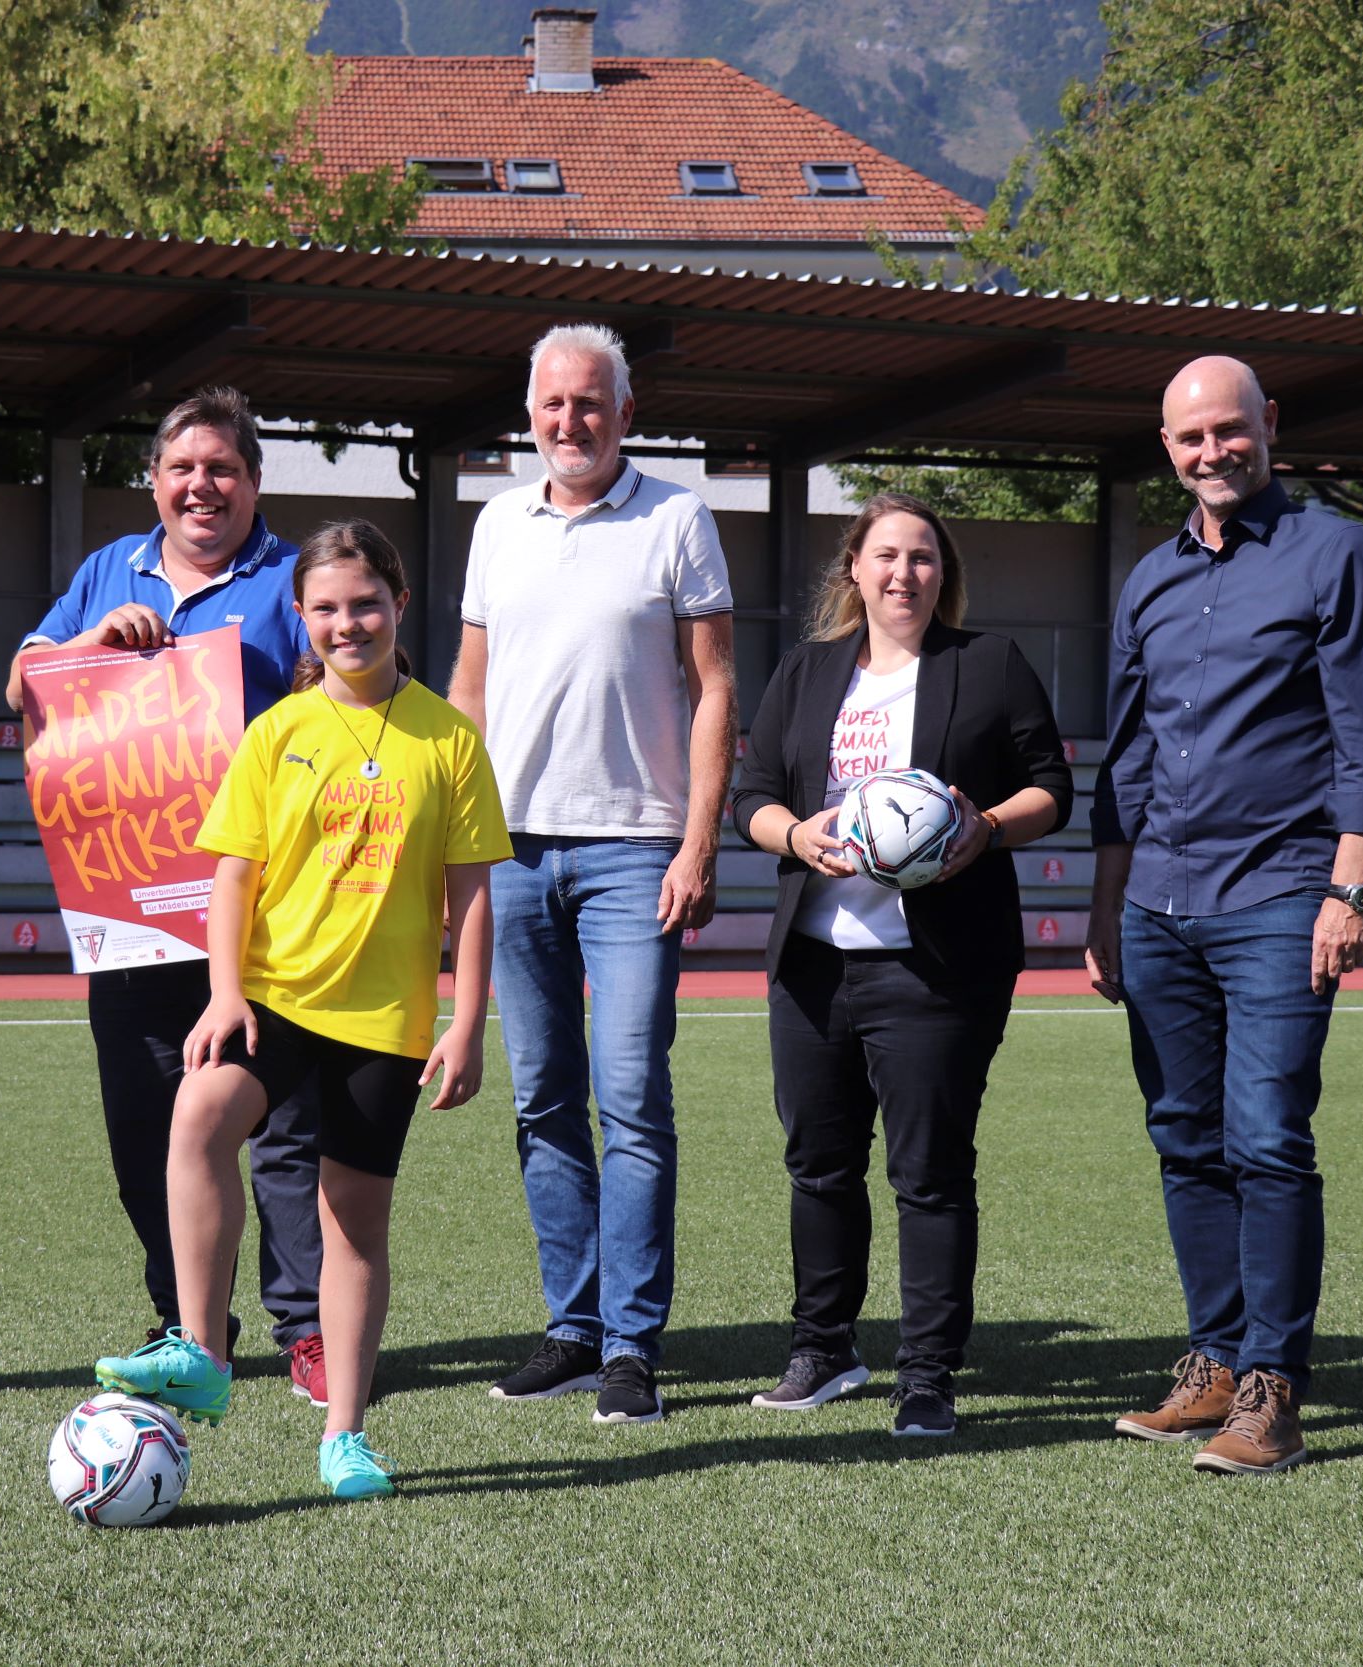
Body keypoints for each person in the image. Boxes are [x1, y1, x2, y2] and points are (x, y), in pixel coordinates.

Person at [92, 520, 513, 1500]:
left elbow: (472, 895)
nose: (346, 623)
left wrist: (466, 1021)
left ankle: (344, 1435)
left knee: (352, 1221)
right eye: (325, 608)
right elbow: (233, 874)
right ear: (301, 616)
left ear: (399, 604)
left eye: (364, 603)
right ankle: (201, 1350)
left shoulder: (450, 737)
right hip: (275, 997)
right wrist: (224, 989)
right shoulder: (277, 731)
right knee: (198, 1117)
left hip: (385, 1020)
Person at [1089, 356, 1363, 1476]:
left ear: (1268, 424)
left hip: (1281, 889)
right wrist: (1105, 901)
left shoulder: (1340, 553)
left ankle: (1273, 1382)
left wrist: (1350, 886)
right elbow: (1126, 755)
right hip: (1156, 899)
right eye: (1189, 437)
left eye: (1229, 429)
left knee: (1267, 1134)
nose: (1211, 451)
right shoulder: (1149, 579)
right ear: (1166, 447)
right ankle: (1216, 1362)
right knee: (1184, 1136)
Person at [3, 387, 330, 1404]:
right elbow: (22, 682)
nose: (202, 486)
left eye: (222, 468)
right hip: (132, 904)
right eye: (182, 468)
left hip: (267, 910)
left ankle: (309, 1328)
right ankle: (190, 1323)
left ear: (254, 482)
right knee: (145, 1128)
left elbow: (348, 696)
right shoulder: (109, 569)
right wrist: (93, 642)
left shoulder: (293, 578)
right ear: (152, 481)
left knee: (284, 1130)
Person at [729, 493, 1071, 1433]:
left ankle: (927, 1374)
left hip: (937, 966)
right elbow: (752, 794)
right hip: (815, 963)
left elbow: (1053, 786)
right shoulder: (807, 670)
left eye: (922, 557)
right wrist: (796, 834)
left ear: (942, 573)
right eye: (885, 555)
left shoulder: (988, 663)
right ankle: (823, 1347)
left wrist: (985, 825)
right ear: (855, 567)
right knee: (818, 1164)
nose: (903, 573)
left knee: (930, 1172)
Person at [449, 322, 736, 1425]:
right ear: (530, 414)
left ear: (625, 411)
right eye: (553, 403)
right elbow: (470, 691)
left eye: (589, 402)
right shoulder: (496, 524)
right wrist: (453, 839)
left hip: (634, 851)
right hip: (511, 849)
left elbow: (715, 688)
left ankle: (630, 1345)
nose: (570, 421)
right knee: (542, 1101)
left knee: (632, 1100)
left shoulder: (677, 517)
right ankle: (571, 1330)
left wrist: (698, 840)